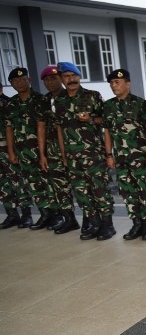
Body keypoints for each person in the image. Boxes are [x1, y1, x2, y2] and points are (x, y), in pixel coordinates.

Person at [53, 62, 117, 240]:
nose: (71, 79)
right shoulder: (59, 101)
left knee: (99, 190)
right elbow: (59, 128)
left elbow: (105, 121)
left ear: (79, 77)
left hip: (93, 154)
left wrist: (91, 119)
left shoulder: (92, 96)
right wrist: (63, 154)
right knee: (81, 192)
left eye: (74, 76)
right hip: (72, 157)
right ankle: (94, 224)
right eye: (66, 76)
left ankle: (107, 225)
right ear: (61, 79)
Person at [102, 69, 146, 240]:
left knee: (144, 190)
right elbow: (107, 131)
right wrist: (109, 154)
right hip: (120, 158)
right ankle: (136, 224)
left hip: (139, 156)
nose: (113, 86)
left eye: (117, 82)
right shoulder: (108, 106)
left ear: (128, 83)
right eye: (111, 83)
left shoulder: (140, 104)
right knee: (127, 191)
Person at [38, 65, 79, 234]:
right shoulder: (44, 101)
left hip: (75, 149)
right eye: (47, 79)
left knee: (81, 186)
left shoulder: (72, 95)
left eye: (54, 78)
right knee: (58, 186)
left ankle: (94, 221)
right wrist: (42, 154)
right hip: (53, 150)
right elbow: (40, 127)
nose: (51, 82)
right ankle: (68, 219)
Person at [3, 67, 43, 229]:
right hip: (20, 151)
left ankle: (51, 215)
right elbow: (9, 129)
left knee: (43, 184)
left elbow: (43, 127)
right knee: (23, 183)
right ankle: (17, 215)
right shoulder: (11, 104)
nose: (19, 83)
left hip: (40, 151)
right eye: (15, 81)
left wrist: (43, 152)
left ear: (29, 80)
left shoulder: (40, 100)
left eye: (22, 79)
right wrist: (11, 151)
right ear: (11, 84)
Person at [0, 87, 24, 229]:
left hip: (8, 149)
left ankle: (26, 214)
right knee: (3, 184)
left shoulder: (9, 104)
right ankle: (12, 214)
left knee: (17, 181)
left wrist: (12, 151)